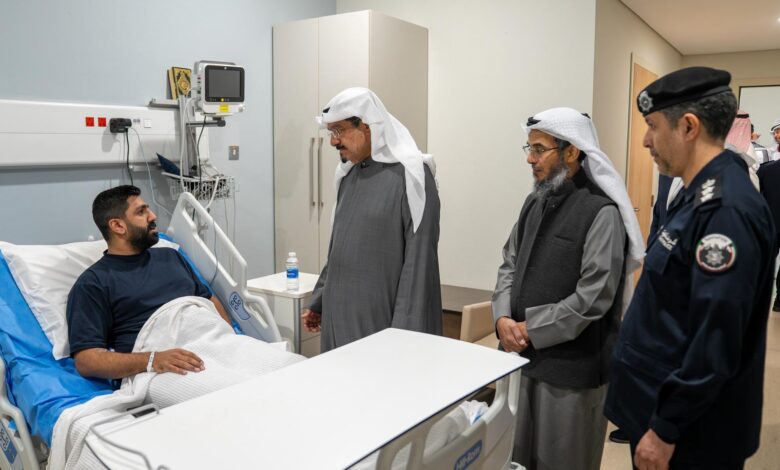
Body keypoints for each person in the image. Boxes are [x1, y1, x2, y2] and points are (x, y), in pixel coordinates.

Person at [604, 66, 776, 469]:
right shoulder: (696, 192)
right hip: (659, 404)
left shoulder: (725, 209)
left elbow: (715, 338)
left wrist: (666, 427)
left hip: (691, 433)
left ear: (688, 127)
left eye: (652, 126)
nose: (645, 140)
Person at [491, 107, 644, 470]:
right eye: (528, 148)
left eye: (539, 149)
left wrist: (531, 328)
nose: (530, 159)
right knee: (514, 458)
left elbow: (594, 297)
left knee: (561, 460)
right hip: (519, 357)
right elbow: (509, 262)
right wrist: (501, 318)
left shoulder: (600, 211)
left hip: (572, 371)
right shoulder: (534, 202)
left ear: (572, 151)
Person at [301, 88, 442, 351]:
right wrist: (319, 300)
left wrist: (404, 337)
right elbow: (338, 250)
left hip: (382, 327)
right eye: (331, 133)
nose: (333, 142)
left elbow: (419, 266)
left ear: (368, 126)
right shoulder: (348, 176)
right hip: (337, 318)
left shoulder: (412, 176)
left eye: (339, 131)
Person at [67, 185, 232, 380]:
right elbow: (87, 360)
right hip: (166, 370)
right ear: (118, 226)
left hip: (217, 345)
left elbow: (209, 299)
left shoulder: (170, 256)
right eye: (141, 212)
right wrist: (153, 360)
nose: (153, 216)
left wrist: (229, 337)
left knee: (266, 367)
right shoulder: (94, 283)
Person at [758, 159, 780, 311]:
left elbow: (756, 195)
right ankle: (779, 300)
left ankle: (759, 299)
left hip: (770, 224)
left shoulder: (766, 170)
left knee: (765, 263)